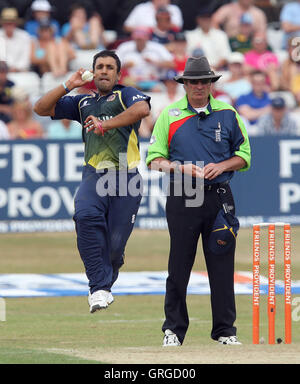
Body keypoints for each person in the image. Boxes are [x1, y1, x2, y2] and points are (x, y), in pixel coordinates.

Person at [34, 50, 151, 313]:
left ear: (118, 74)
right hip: (94, 174)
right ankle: (98, 288)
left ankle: (106, 280)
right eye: (99, 67)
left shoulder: (126, 94)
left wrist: (105, 125)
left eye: (110, 67)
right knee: (85, 216)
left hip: (127, 177)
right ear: (93, 71)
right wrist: (68, 85)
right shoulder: (82, 102)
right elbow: (40, 108)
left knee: (114, 248)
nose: (104, 71)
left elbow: (142, 109)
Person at [146, 56, 251, 346]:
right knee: (179, 264)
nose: (199, 86)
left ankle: (225, 331)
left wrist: (223, 165)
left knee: (221, 264)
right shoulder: (170, 115)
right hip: (183, 194)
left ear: (211, 83)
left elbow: (245, 155)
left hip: (219, 196)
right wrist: (179, 168)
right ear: (185, 84)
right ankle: (173, 330)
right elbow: (153, 161)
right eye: (193, 81)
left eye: (204, 81)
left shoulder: (228, 113)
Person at [116, 27, 174, 92]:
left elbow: (172, 64)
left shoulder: (157, 47)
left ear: (147, 38)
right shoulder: (125, 47)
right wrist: (125, 66)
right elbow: (113, 65)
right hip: (132, 80)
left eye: (142, 39)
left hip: (152, 80)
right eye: (138, 39)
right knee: (129, 87)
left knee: (158, 89)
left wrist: (154, 62)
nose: (140, 41)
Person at [0, 8, 31, 72]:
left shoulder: (24, 36)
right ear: (2, 23)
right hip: (2, 72)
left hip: (22, 71)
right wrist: (8, 68)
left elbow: (26, 57)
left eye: (11, 23)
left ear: (16, 23)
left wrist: (17, 68)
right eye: (6, 23)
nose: (9, 25)